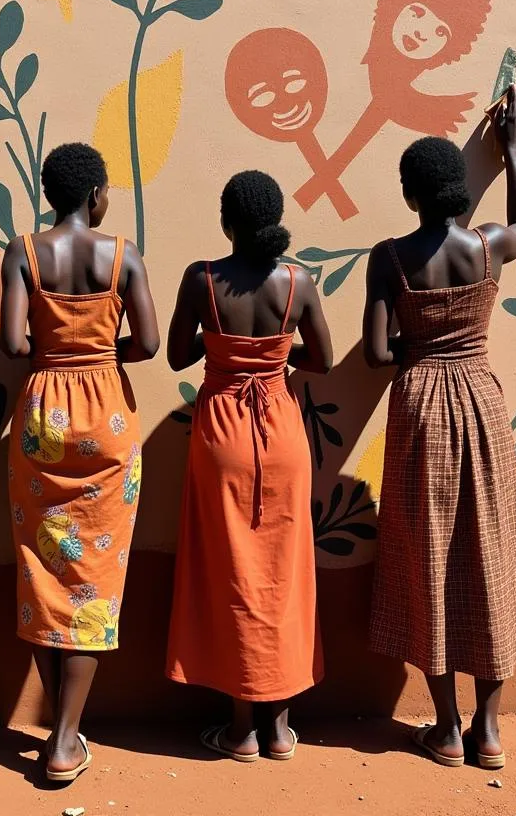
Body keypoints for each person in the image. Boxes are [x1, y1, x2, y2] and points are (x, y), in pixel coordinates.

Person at [363, 86, 516, 770]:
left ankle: (444, 729)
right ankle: (490, 730)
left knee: (430, 563)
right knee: (489, 559)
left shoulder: (389, 260)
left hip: (420, 408)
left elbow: (378, 354)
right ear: (458, 192)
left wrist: (419, 345)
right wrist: (510, 151)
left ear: (412, 195)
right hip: (481, 401)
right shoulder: (488, 247)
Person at [0, 143, 159, 782]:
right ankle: (65, 738)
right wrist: (96, 350)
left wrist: (57, 350)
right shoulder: (122, 255)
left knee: (43, 568)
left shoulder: (24, 252)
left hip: (42, 413)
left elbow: (13, 342)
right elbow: (146, 343)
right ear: (96, 195)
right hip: (108, 414)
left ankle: (58, 728)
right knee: (96, 571)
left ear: (49, 193)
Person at [165, 170, 332, 762]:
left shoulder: (201, 279)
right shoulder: (298, 281)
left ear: (226, 224)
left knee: (233, 570)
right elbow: (324, 358)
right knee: (282, 571)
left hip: (221, 433)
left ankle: (239, 730)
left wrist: (227, 354)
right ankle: (280, 729)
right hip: (282, 433)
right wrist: (275, 360)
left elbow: (178, 355)